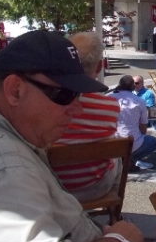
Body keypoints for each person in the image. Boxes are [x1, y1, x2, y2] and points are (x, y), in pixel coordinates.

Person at [0, 30, 144, 242]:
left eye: (78, 95)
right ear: (15, 90)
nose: (77, 109)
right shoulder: (6, 168)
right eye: (64, 95)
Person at [52, 32, 122, 203]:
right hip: (95, 187)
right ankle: (116, 206)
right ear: (99, 67)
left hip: (54, 187)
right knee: (119, 153)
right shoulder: (111, 106)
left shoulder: (49, 102)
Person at [110, 75, 156, 171]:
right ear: (132, 87)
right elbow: (143, 127)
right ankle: (130, 160)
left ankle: (124, 160)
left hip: (112, 141)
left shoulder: (109, 98)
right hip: (132, 142)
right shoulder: (140, 101)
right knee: (153, 142)